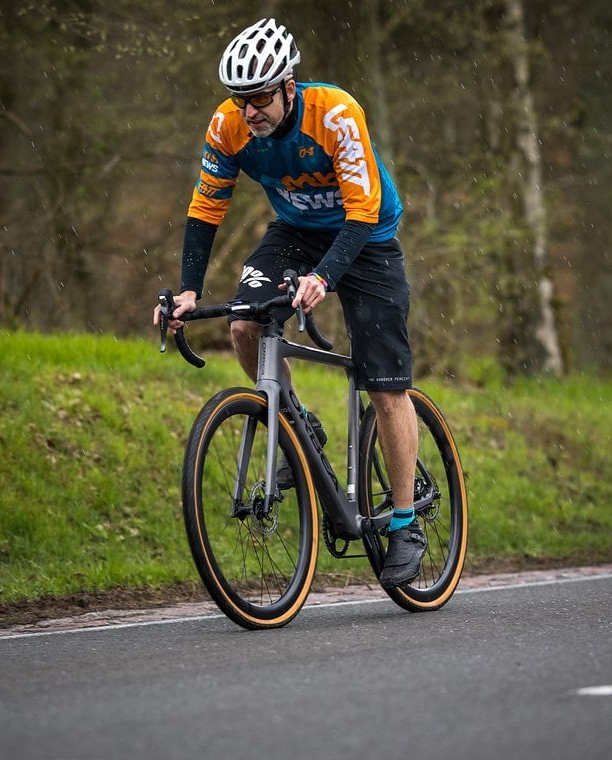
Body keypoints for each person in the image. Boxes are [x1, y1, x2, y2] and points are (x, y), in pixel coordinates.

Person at [153, 18, 425, 587]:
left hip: (367, 235)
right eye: (240, 100)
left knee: (385, 382)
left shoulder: (335, 113)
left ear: (288, 87)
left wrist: (323, 279)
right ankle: (300, 425)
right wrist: (187, 290)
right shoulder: (227, 127)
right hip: (296, 231)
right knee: (243, 324)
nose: (249, 112)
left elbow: (361, 213)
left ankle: (405, 523)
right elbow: (206, 210)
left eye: (259, 99)